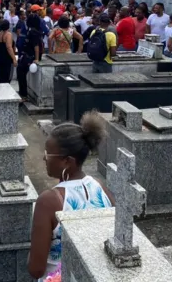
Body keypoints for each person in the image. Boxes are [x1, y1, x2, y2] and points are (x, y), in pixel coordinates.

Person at [27, 112, 114, 280]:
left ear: (67, 161)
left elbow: (36, 269)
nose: (44, 159)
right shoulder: (100, 188)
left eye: (48, 155)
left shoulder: (48, 202)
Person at [17, 14, 43, 100]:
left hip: (30, 56)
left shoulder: (33, 32)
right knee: (20, 72)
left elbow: (36, 46)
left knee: (21, 72)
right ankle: (22, 93)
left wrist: (36, 58)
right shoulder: (34, 31)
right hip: (27, 54)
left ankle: (23, 94)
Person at [0, 19, 17, 85]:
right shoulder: (8, 35)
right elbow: (9, 47)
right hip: (7, 58)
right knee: (7, 78)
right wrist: (14, 58)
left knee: (1, 77)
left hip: (0, 58)